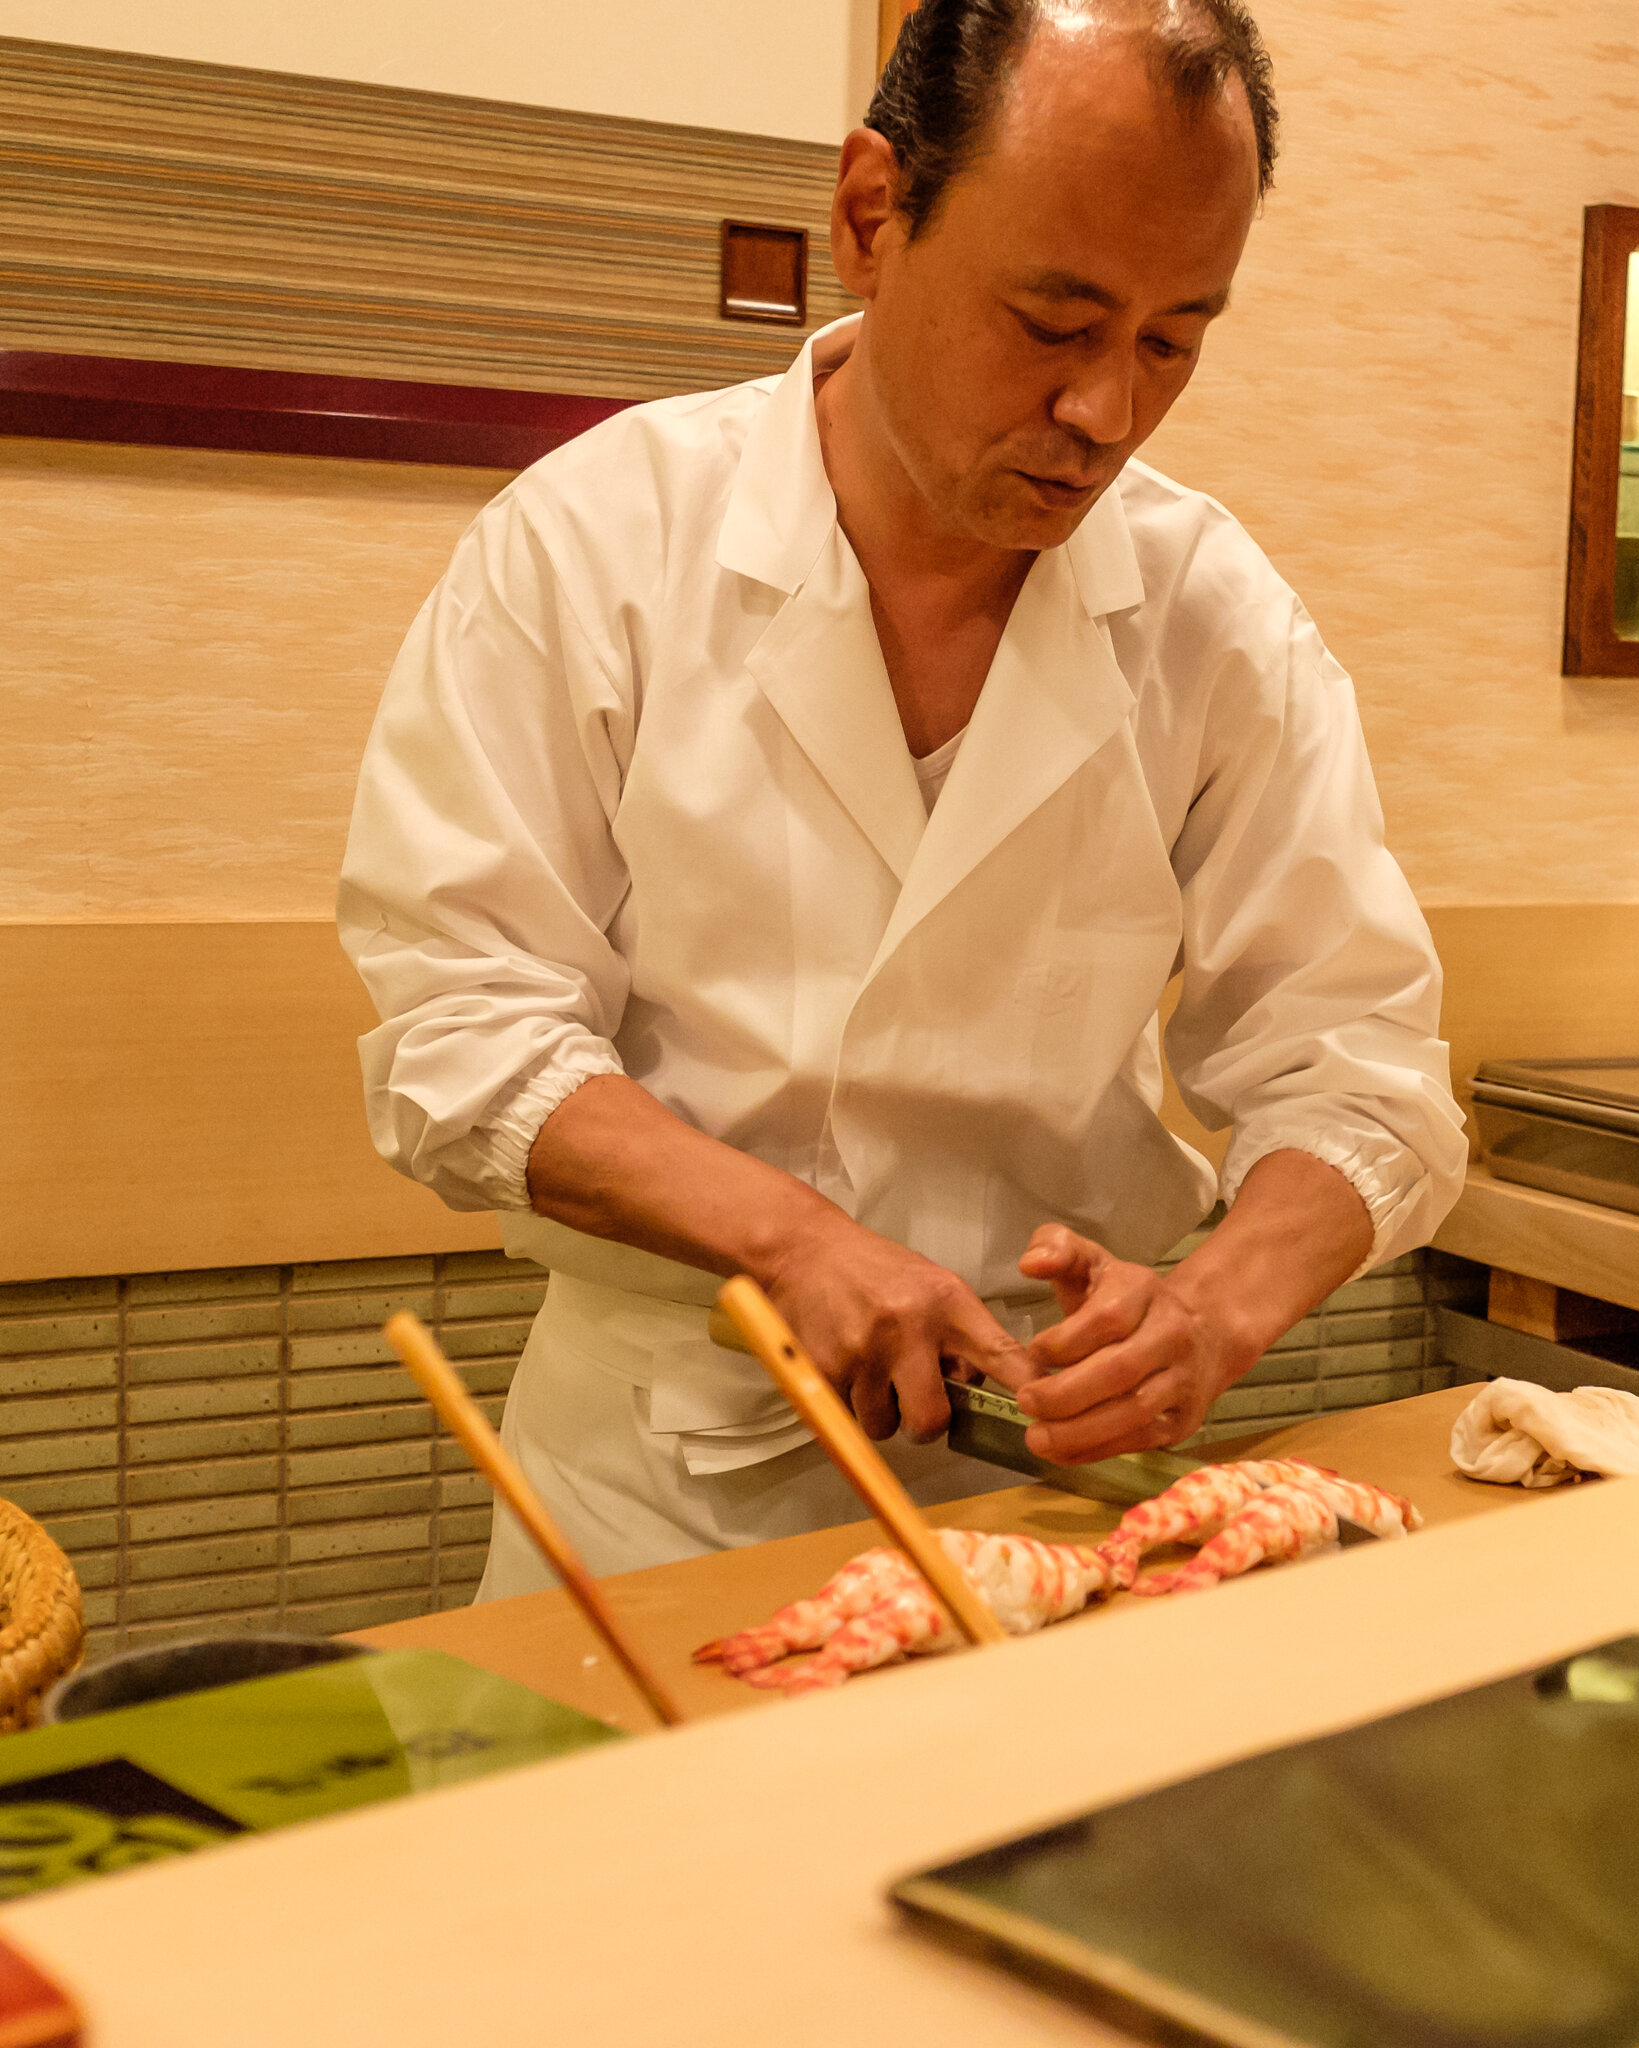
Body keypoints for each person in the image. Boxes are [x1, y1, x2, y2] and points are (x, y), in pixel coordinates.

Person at [339, 0, 1465, 1600]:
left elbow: (1364, 1073)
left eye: (1172, 339)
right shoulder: (594, 546)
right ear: (875, 214)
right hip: (653, 1495)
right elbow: (462, 1037)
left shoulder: (1215, 616)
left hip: (1058, 1499)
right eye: (1055, 321)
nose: (1108, 414)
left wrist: (1214, 1306)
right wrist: (792, 1241)